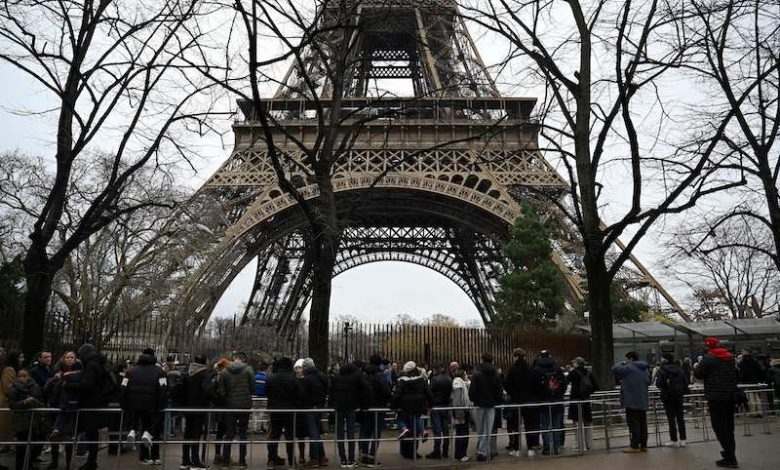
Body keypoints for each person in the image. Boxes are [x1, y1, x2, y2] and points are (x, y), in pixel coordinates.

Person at [695, 337, 739, 468]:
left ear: (708, 347)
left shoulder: (708, 358)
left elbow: (698, 374)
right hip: (730, 395)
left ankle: (730, 457)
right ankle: (730, 454)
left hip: (716, 396)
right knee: (729, 426)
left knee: (719, 427)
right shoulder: (730, 357)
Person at [62, 344, 108, 470]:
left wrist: (68, 385)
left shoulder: (91, 365)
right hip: (95, 403)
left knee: (85, 433)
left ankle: (88, 462)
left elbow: (87, 384)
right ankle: (90, 461)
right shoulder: (97, 363)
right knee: (91, 434)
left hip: (90, 403)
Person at [120, 348, 168, 466]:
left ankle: (133, 432)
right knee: (153, 429)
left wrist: (124, 404)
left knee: (138, 424)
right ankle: (155, 454)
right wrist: (162, 405)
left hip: (133, 404)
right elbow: (164, 389)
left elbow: (123, 387)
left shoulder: (130, 371)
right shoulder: (160, 372)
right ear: (154, 357)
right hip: (152, 405)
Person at [266, 357, 305, 470]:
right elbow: (301, 394)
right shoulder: (293, 379)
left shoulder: (271, 378)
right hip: (289, 411)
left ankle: (271, 460)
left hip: (275, 411)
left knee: (274, 436)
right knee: (290, 437)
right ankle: (291, 461)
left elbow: (267, 392)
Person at [330, 362, 371, 466]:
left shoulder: (336, 378)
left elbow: (331, 393)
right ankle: (351, 459)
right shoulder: (356, 377)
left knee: (339, 434)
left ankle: (343, 459)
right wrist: (363, 404)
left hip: (338, 408)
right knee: (351, 433)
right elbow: (367, 389)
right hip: (351, 407)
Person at [45, 351, 81, 469]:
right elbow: (47, 388)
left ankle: (68, 463)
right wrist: (55, 380)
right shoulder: (57, 372)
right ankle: (54, 461)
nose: (69, 359)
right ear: (63, 359)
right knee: (55, 437)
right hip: (57, 406)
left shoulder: (79, 372)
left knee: (69, 436)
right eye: (67, 357)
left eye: (72, 357)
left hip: (70, 407)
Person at [180, 354, 216, 470]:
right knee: (196, 434)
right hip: (200, 408)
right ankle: (195, 461)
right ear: (204, 362)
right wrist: (218, 400)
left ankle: (185, 460)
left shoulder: (187, 373)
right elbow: (208, 390)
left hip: (188, 407)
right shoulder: (204, 374)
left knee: (187, 434)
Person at [503, 348, 540, 457]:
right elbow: (536, 385)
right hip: (529, 401)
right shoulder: (530, 369)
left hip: (516, 401)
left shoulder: (512, 370)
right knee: (530, 426)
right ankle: (530, 448)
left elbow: (507, 385)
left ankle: (516, 449)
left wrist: (513, 393)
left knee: (515, 426)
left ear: (515, 356)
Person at [612, 351, 650, 454]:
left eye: (626, 359)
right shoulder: (644, 369)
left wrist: (622, 363)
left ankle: (635, 446)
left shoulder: (629, 368)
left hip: (631, 400)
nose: (625, 361)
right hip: (642, 399)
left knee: (633, 424)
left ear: (631, 359)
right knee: (643, 423)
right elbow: (647, 382)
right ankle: (644, 445)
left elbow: (614, 369)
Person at [220, 352, 254, 470]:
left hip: (230, 406)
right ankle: (242, 461)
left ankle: (225, 461)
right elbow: (253, 387)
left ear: (233, 359)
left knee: (229, 434)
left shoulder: (224, 372)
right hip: (245, 405)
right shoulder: (248, 370)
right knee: (243, 434)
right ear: (243, 359)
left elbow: (222, 392)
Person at [390, 361, 430, 461]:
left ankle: (405, 449)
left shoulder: (402, 381)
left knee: (403, 424)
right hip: (418, 407)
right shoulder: (421, 380)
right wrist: (430, 404)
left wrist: (393, 406)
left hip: (404, 407)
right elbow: (428, 393)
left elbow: (396, 394)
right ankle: (415, 447)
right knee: (415, 427)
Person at [468, 353, 503, 462]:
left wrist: (475, 400)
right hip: (491, 405)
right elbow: (499, 392)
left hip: (479, 405)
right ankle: (485, 450)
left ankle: (482, 451)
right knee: (488, 429)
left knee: (480, 429)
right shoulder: (496, 375)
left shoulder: (477, 374)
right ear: (492, 361)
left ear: (482, 360)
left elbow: (472, 391)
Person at [8, 369, 45, 470]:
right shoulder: (13, 389)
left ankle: (29, 465)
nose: (22, 378)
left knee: (34, 444)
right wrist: (24, 402)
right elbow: (12, 405)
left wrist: (34, 402)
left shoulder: (35, 387)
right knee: (22, 446)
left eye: (24, 376)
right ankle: (20, 466)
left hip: (34, 420)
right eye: (20, 376)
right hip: (21, 421)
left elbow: (41, 401)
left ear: (29, 376)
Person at [359, 354, 390, 467]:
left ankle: (364, 455)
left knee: (366, 432)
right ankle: (372, 457)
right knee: (376, 433)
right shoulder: (380, 376)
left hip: (366, 408)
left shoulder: (364, 375)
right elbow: (386, 391)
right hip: (378, 407)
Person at [533, 351, 567, 455]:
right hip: (557, 400)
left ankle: (547, 447)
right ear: (550, 356)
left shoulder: (537, 370)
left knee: (544, 425)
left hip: (543, 401)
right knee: (556, 425)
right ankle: (556, 446)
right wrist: (560, 394)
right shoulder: (557, 368)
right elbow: (564, 383)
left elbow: (534, 386)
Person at [654, 353, 688, 448]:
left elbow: (658, 383)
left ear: (664, 360)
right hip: (679, 396)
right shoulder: (679, 369)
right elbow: (686, 382)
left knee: (671, 419)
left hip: (667, 397)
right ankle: (683, 439)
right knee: (680, 418)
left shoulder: (662, 370)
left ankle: (674, 440)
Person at [300, 358, 328, 468]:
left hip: (309, 408)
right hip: (319, 407)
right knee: (317, 433)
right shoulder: (321, 376)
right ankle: (322, 457)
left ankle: (314, 459)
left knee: (313, 434)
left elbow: (303, 395)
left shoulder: (306, 379)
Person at [567, 357, 598, 452]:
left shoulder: (573, 373)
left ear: (577, 363)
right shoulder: (589, 373)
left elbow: (566, 381)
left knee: (577, 423)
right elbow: (595, 387)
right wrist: (587, 393)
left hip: (575, 400)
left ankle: (580, 445)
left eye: (574, 363)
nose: (573, 364)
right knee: (587, 422)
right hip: (586, 400)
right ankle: (589, 444)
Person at [425, 365, 452, 460]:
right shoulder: (449, 379)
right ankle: (445, 451)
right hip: (445, 406)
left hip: (436, 406)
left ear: (436, 370)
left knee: (437, 430)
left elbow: (430, 392)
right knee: (445, 430)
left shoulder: (435, 379)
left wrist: (429, 404)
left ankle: (437, 451)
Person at [0, 351, 23, 454]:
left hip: (8, 401)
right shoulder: (9, 370)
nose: (23, 359)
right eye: (21, 357)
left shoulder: (10, 369)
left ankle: (7, 445)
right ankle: (8, 445)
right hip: (7, 401)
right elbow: (8, 387)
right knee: (8, 425)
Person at [450, 369, 471, 462]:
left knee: (462, 433)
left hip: (462, 411)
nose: (467, 376)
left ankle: (461, 453)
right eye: (466, 374)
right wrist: (459, 414)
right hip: (461, 412)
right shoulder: (458, 385)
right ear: (462, 375)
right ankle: (461, 454)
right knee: (462, 433)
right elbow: (457, 401)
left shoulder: (462, 384)